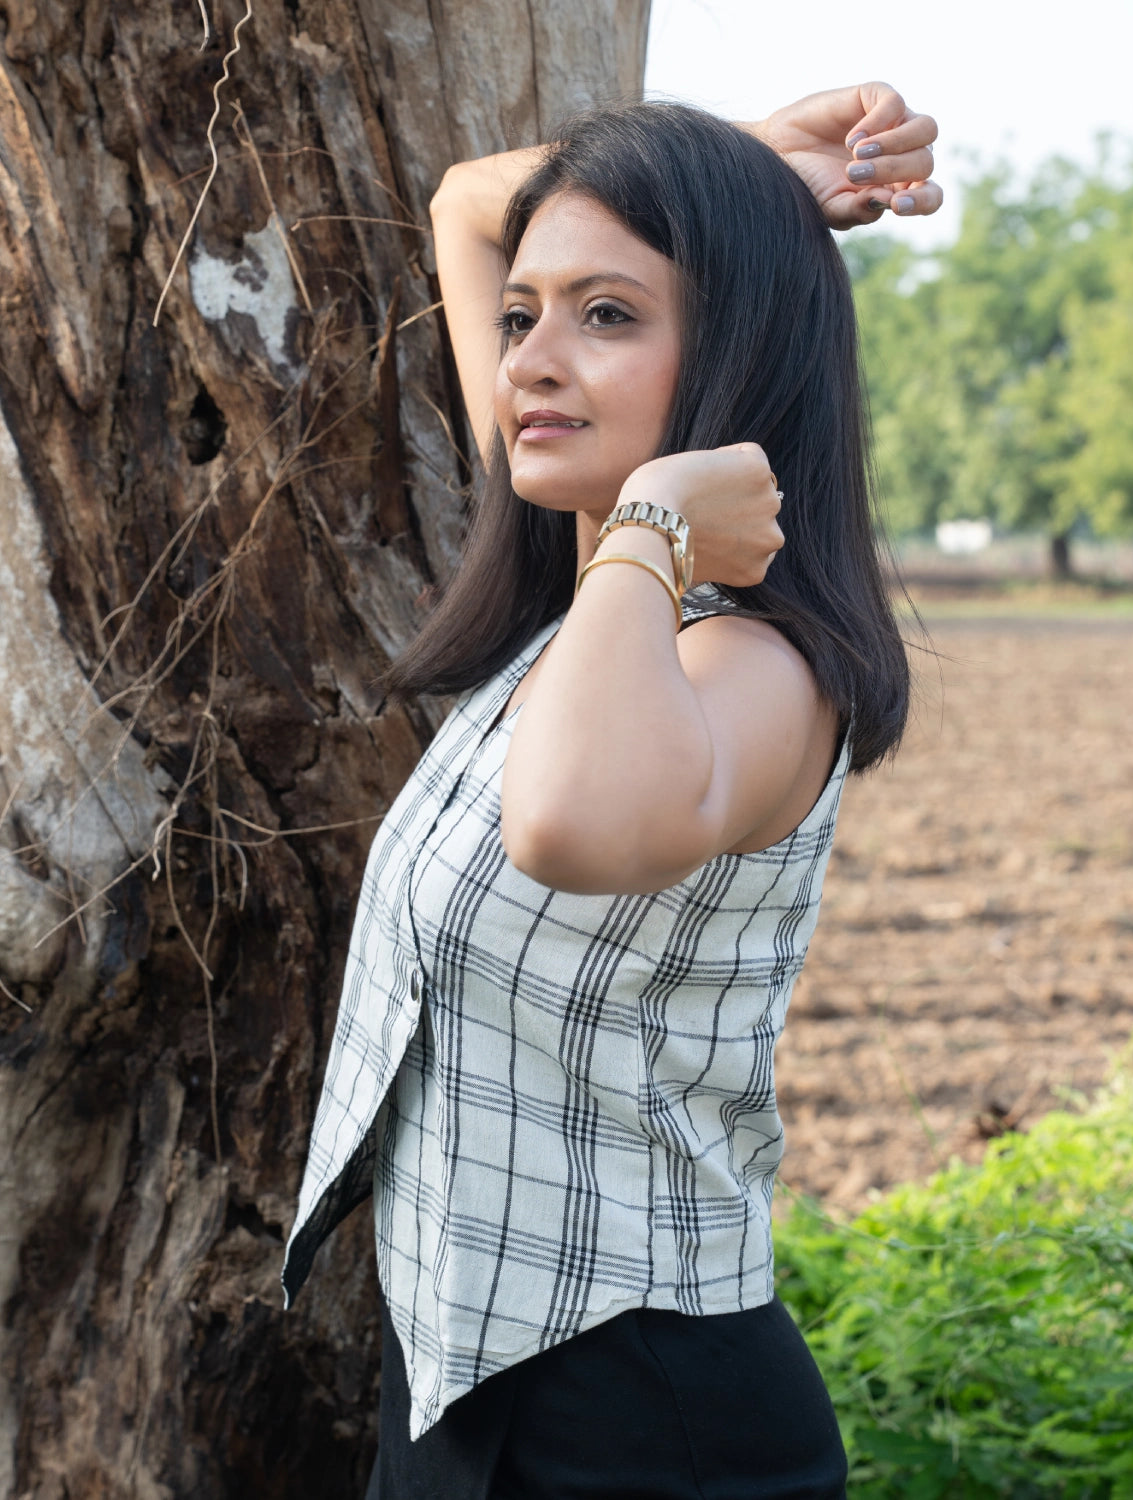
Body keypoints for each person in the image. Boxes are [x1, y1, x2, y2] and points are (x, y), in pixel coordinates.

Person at [283, 82, 941, 1499]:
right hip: (462, 1385)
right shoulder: (579, 607)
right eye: (523, 319)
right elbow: (468, 204)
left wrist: (650, 522)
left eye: (612, 316)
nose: (531, 360)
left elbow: (568, 825)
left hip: (644, 1423)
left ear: (740, 355)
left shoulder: (762, 670)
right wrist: (746, 171)